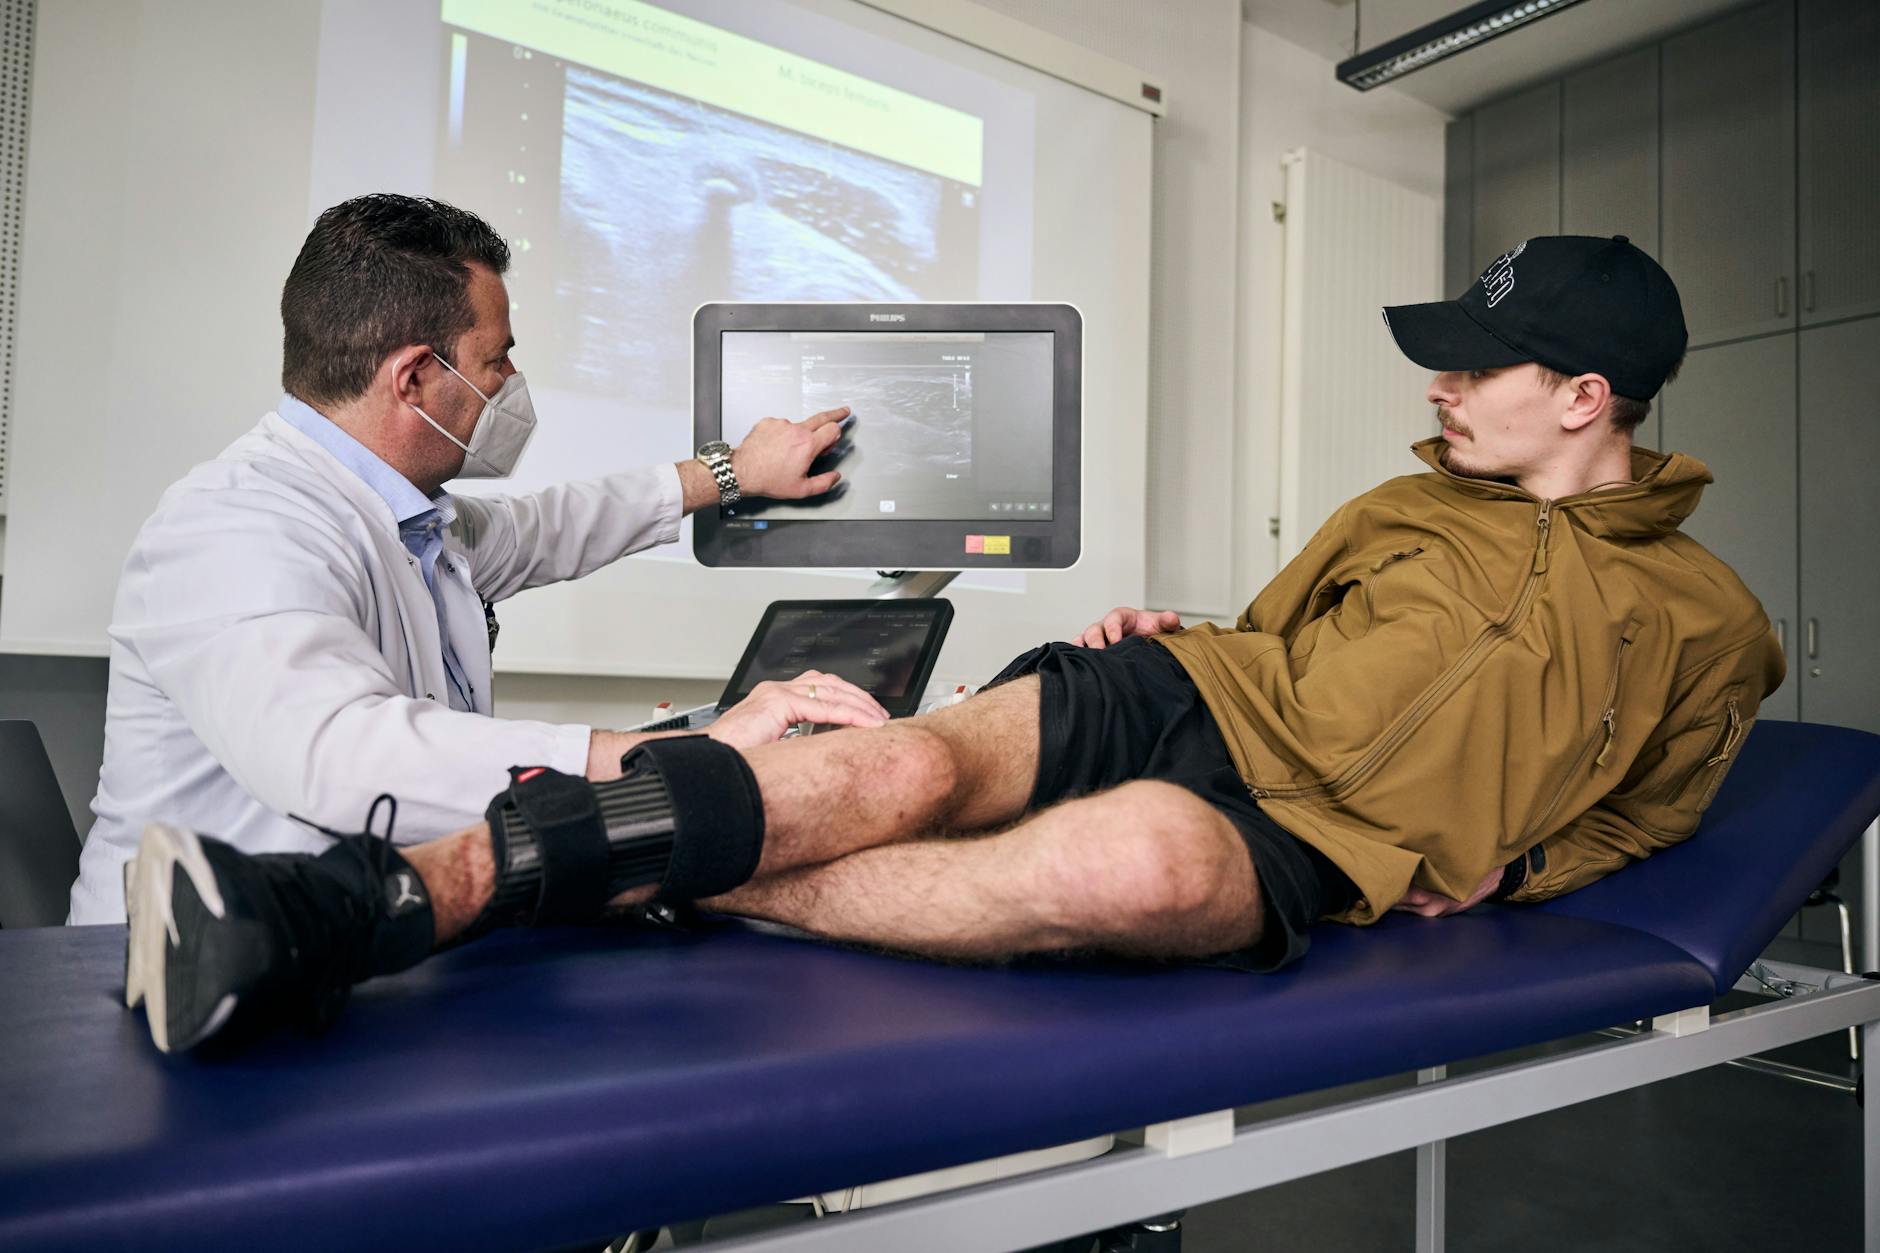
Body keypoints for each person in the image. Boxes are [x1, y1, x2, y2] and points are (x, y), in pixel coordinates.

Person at [124, 234, 1785, 1056]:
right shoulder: (1407, 501)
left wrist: (1525, 866)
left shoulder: (1714, 624)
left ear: (1588, 395)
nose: (1443, 385)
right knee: (891, 765)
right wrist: (1172, 629)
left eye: (1481, 367)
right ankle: (378, 902)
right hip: (1188, 690)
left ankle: (657, 872)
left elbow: (1656, 805)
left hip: (1327, 841)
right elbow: (1281, 639)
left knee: (1135, 867)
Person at [70, 194, 891, 925]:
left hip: (351, 941)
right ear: (414, 378)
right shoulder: (234, 524)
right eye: (496, 358)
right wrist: (677, 758)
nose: (511, 380)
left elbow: (553, 526)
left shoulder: (414, 519)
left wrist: (731, 473)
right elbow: (339, 756)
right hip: (170, 972)